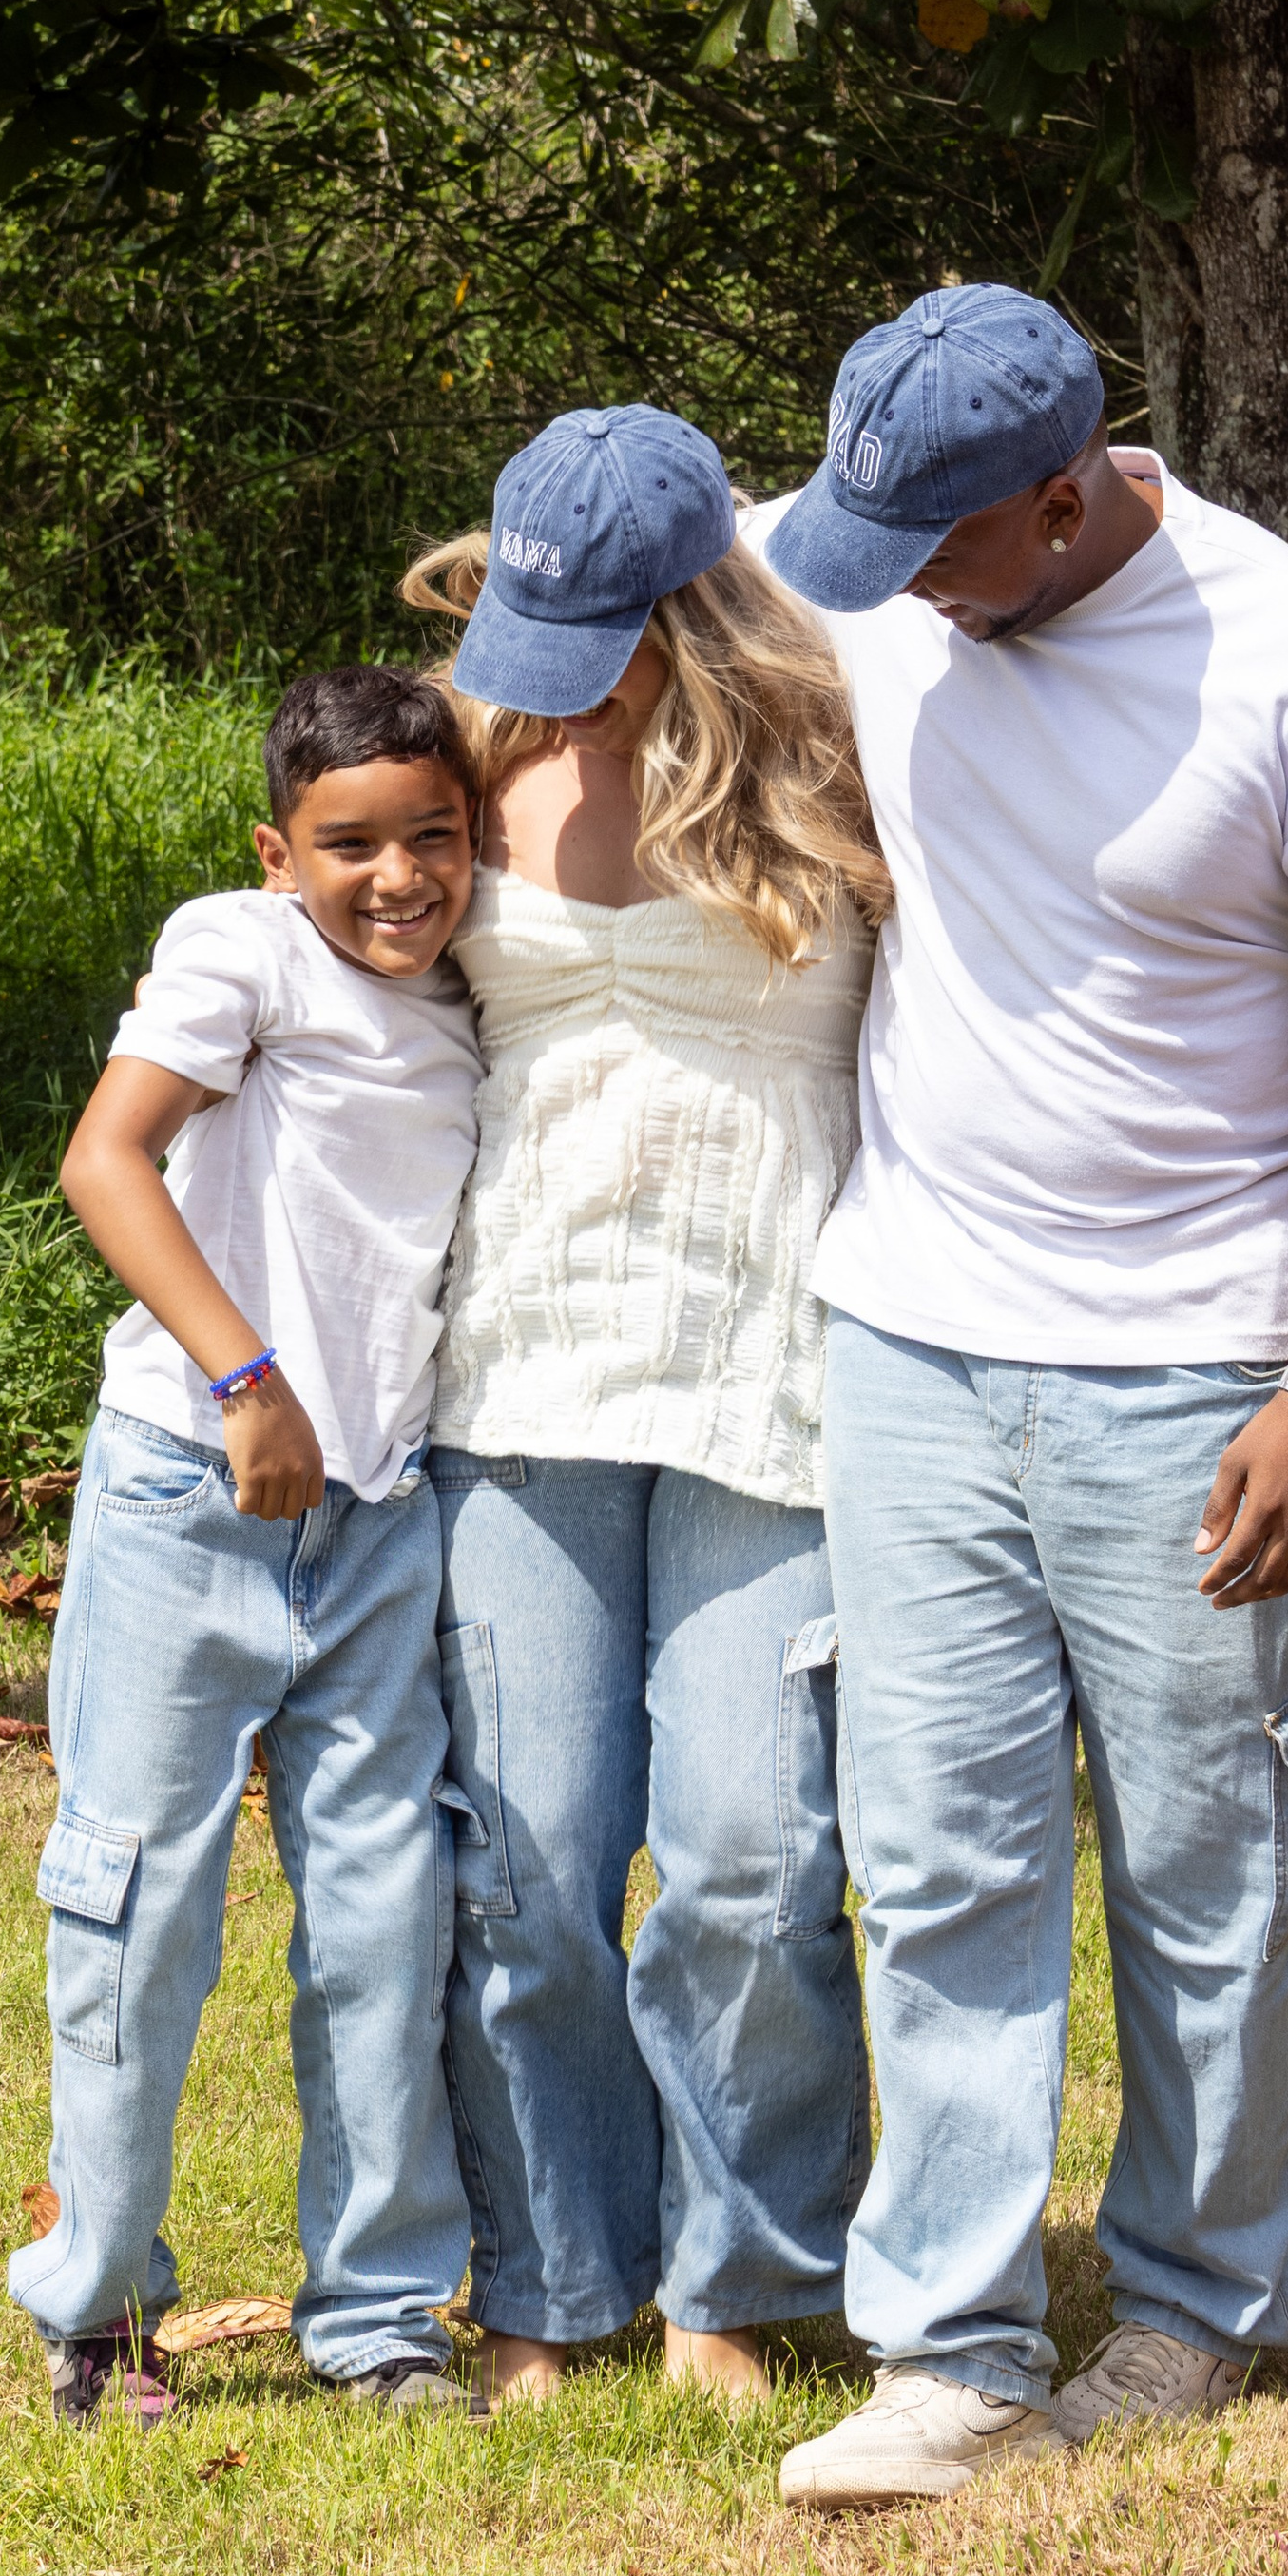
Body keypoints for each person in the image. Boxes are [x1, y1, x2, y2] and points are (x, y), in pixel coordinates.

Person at [748, 285, 1288, 2508]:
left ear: (1063, 499)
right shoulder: (866, 554)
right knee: (935, 1848)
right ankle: (951, 2347)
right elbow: (633, 568)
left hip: (1193, 1363)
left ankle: (1189, 2306)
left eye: (939, 555)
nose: (888, 599)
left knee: (1209, 1866)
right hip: (910, 1335)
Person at [401, 403, 889, 2410]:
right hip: (513, 1354)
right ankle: (547, 2273)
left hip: (770, 1355)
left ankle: (736, 2273)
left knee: (753, 1853)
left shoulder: (848, 741)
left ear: (689, 604)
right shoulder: (468, 747)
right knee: (524, 1855)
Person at [11, 665, 484, 2426]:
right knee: (138, 1906)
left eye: (433, 838)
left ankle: (372, 2315)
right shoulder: (240, 948)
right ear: (280, 853)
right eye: (352, 844)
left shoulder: (468, 999)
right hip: (188, 1490)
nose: (398, 878)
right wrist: (247, 1378)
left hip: (377, 1521)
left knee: (382, 1915)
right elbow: (105, 1161)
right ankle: (100, 2301)